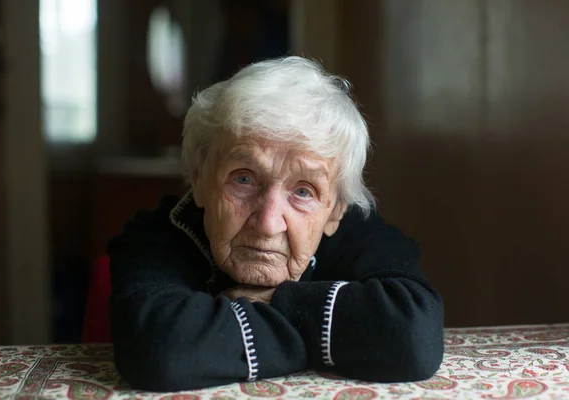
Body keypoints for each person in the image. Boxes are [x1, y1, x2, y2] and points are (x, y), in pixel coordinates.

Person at [108, 56, 444, 392]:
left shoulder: (356, 232)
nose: (269, 224)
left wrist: (275, 302)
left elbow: (412, 335)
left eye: (302, 191)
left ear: (335, 210)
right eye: (243, 179)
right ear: (199, 179)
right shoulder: (161, 233)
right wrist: (332, 337)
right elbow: (163, 349)